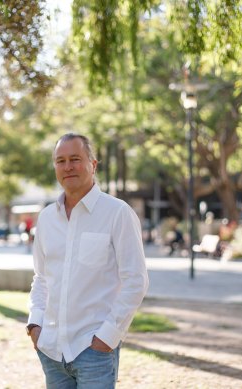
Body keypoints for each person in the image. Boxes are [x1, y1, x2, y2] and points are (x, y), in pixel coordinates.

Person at [26, 133, 149, 388]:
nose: (68, 167)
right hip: (51, 350)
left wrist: (107, 337)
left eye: (75, 159)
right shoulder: (47, 218)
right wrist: (35, 325)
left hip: (93, 350)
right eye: (60, 161)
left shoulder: (118, 213)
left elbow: (135, 281)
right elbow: (41, 277)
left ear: (92, 165)